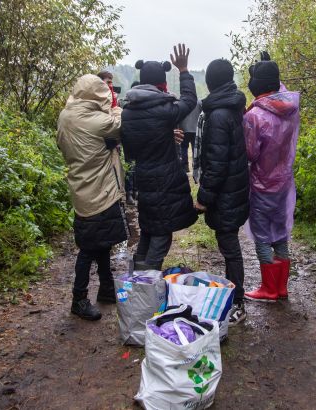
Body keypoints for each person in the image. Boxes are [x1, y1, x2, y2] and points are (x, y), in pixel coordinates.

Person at [121, 44, 198, 270]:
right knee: (162, 233)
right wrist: (183, 70)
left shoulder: (127, 112)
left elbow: (132, 150)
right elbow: (190, 100)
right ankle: (148, 281)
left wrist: (164, 135)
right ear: (161, 83)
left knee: (148, 227)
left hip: (144, 177)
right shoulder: (165, 110)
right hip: (165, 179)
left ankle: (137, 275)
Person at [57, 74, 127, 320]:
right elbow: (119, 126)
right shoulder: (98, 121)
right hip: (100, 190)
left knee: (102, 242)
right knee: (88, 249)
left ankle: (107, 288)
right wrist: (115, 108)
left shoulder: (65, 116)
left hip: (80, 188)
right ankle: (79, 299)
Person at [193, 58, 249, 324]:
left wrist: (203, 199)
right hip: (234, 188)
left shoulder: (217, 114)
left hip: (226, 192)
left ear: (210, 82)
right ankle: (235, 295)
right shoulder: (232, 107)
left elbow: (215, 164)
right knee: (229, 244)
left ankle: (238, 301)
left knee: (230, 247)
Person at [243, 52, 300, 302]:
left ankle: (269, 288)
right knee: (281, 233)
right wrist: (270, 64)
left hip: (262, 184)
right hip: (284, 183)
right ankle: (282, 288)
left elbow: (250, 153)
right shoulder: (289, 108)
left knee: (263, 236)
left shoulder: (255, 116)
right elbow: (279, 87)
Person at [178, 99, 202, 172]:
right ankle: (195, 165)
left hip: (183, 129)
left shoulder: (180, 102)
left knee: (184, 148)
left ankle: (185, 167)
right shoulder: (198, 102)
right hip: (195, 129)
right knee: (195, 149)